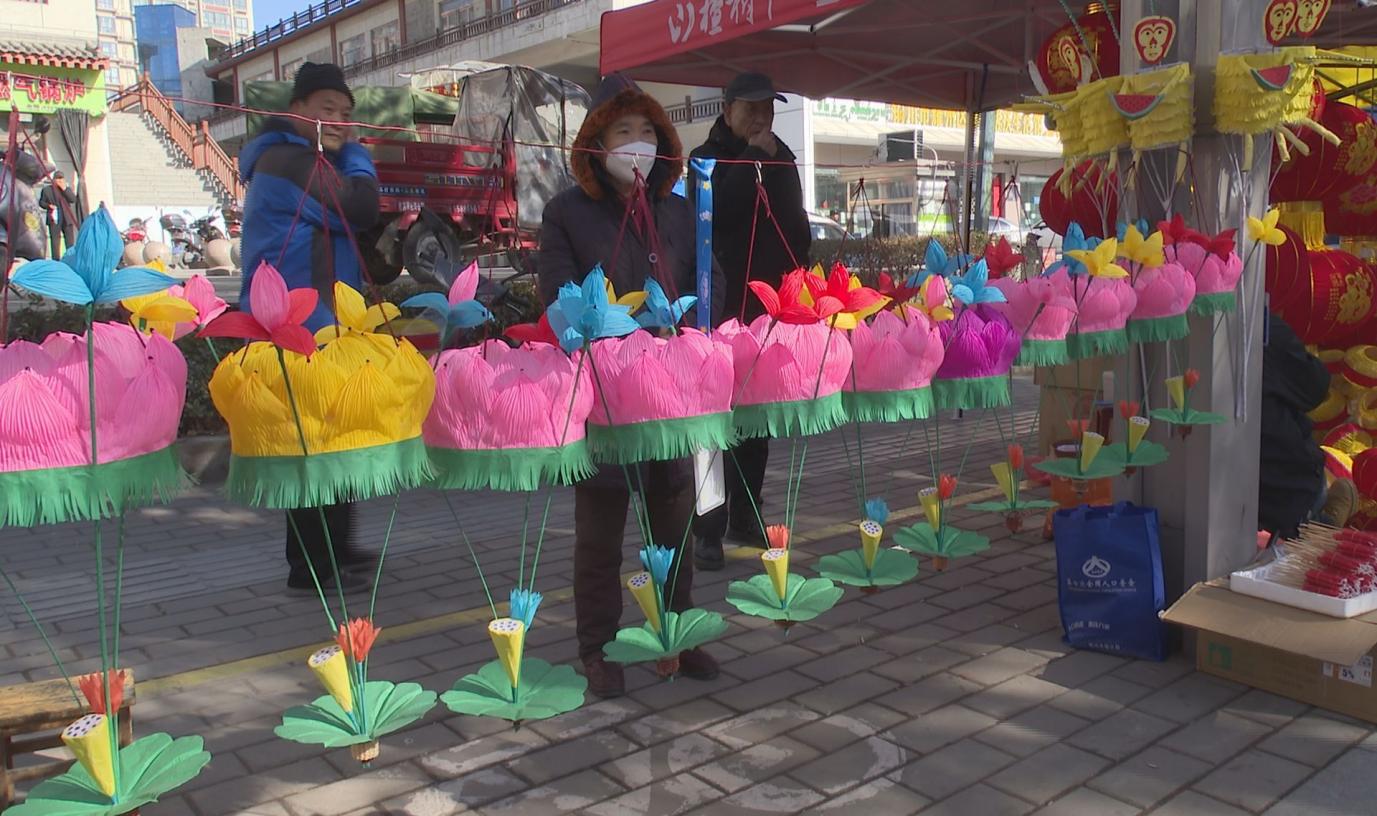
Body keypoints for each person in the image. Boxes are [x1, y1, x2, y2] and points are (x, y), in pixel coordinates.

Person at [539, 74, 724, 698]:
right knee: (600, 531)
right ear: (598, 143)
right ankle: (597, 646)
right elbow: (559, 296)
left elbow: (711, 278)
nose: (638, 143)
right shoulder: (567, 213)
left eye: (647, 130)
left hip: (673, 390)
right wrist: (614, 331)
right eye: (624, 131)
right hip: (607, 394)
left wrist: (691, 328)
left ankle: (676, 629)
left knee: (675, 517)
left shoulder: (679, 209)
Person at [238, 62, 385, 592]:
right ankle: (311, 568)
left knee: (333, 439)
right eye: (327, 109)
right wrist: (358, 154)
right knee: (311, 446)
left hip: (322, 324)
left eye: (346, 113)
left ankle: (337, 548)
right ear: (296, 109)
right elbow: (359, 207)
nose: (339, 121)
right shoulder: (287, 162)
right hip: (298, 328)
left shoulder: (305, 160)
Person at [689, 71, 811, 570]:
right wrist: (750, 159)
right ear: (727, 109)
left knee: (757, 421)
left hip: (765, 312)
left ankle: (746, 512)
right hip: (717, 310)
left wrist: (775, 165)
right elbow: (717, 214)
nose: (762, 118)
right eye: (751, 108)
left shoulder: (782, 158)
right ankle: (707, 528)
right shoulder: (705, 159)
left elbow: (797, 231)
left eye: (768, 109)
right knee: (714, 424)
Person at [1259, 311, 1357, 539]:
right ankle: (1321, 525)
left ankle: (1317, 524)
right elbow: (1314, 387)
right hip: (1281, 484)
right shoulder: (1260, 327)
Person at [38, 171, 78, 259]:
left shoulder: (66, 189)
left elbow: (73, 200)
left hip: (66, 218)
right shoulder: (47, 190)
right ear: (53, 180)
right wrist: (49, 206)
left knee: (70, 241)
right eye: (58, 179)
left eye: (61, 179)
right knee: (55, 241)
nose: (59, 181)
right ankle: (56, 260)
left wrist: (64, 189)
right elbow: (41, 202)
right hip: (54, 217)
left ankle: (70, 259)